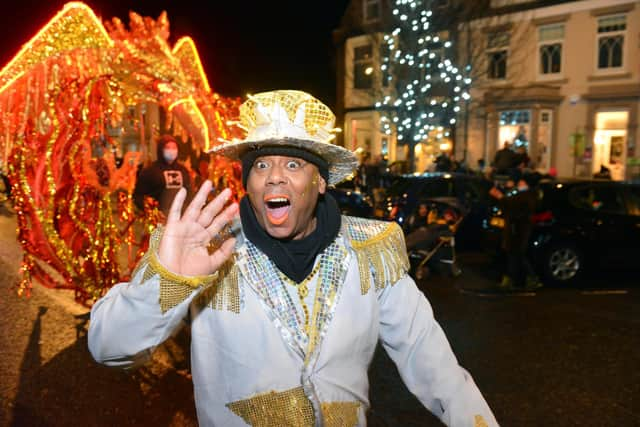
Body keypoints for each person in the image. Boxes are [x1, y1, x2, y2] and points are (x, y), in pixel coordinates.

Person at [89, 90, 497, 426]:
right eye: (261, 164)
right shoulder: (206, 249)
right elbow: (108, 348)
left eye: (293, 164)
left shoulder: (369, 252)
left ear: (320, 182)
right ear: (248, 182)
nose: (275, 176)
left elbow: (431, 361)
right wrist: (167, 282)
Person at [489, 171, 542, 290]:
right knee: (514, 255)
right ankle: (512, 280)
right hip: (515, 229)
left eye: (522, 182)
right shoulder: (523, 195)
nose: (520, 183)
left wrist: (500, 197)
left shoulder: (528, 196)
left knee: (517, 254)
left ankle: (527, 279)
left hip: (518, 230)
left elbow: (512, 205)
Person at [133, 134, 193, 219]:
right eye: (167, 147)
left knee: (181, 233)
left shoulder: (183, 171)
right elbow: (138, 196)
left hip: (180, 218)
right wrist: (150, 210)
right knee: (158, 233)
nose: (171, 150)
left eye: (174, 148)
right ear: (160, 150)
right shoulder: (150, 171)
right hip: (158, 220)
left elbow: (190, 193)